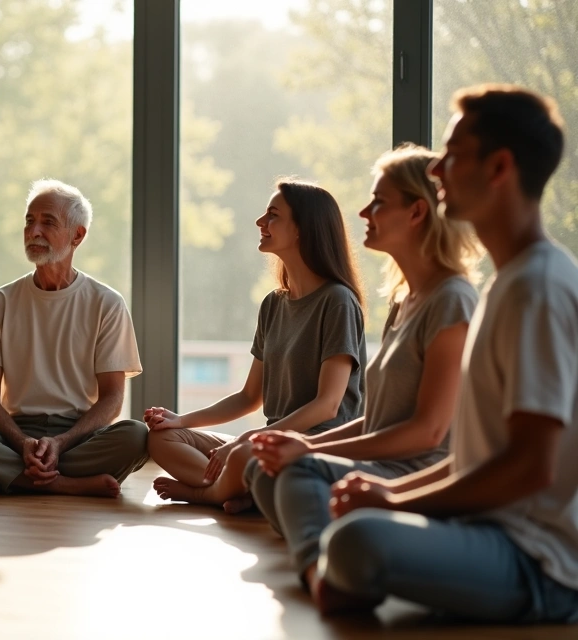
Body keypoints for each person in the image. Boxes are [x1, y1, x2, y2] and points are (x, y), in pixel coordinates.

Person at [313, 85, 578, 623]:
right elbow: (477, 458)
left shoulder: (539, 287)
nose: (437, 171)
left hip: (537, 561)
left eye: (454, 155)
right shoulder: (509, 284)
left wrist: (393, 503)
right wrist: (387, 494)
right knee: (351, 519)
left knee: (354, 539)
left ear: (499, 167)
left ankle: (339, 570)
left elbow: (530, 467)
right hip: (486, 528)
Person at [244, 145, 480, 597]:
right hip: (379, 460)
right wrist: (301, 444)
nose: (363, 211)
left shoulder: (452, 300)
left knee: (296, 473)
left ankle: (320, 570)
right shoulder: (403, 300)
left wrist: (308, 449)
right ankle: (338, 530)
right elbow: (374, 419)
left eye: (378, 202)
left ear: (416, 212)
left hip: (413, 471)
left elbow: (428, 434)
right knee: (262, 470)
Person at [145, 180, 366, 512]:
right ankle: (239, 492)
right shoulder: (273, 304)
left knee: (243, 453)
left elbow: (328, 405)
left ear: (302, 231)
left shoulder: (338, 302)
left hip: (314, 446)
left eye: (272, 215)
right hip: (267, 442)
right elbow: (250, 397)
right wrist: (180, 420)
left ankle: (209, 494)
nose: (260, 222)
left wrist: (251, 440)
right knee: (160, 439)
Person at [0, 179, 147, 498]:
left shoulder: (107, 304)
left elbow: (113, 399)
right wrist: (22, 444)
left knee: (137, 436)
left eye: (48, 222)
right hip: (14, 434)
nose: (34, 231)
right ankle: (64, 484)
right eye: (29, 221)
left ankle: (12, 477)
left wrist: (61, 443)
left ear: (77, 235)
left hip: (79, 437)